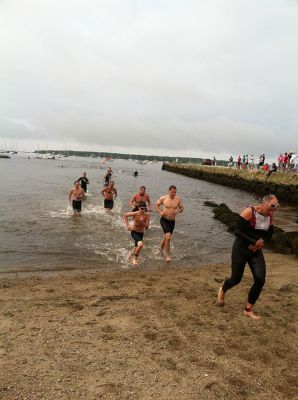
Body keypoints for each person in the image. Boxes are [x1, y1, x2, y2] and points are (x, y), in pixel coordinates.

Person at [217, 195, 279, 320]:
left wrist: (260, 242)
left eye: (276, 207)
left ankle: (248, 309)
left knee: (260, 279)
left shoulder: (271, 216)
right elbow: (238, 231)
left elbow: (269, 233)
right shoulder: (249, 212)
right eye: (272, 207)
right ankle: (223, 289)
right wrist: (253, 242)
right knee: (236, 279)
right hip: (240, 249)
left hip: (255, 251)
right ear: (264, 204)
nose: (273, 210)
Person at [156, 185, 184, 262]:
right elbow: (157, 205)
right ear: (169, 191)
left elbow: (182, 208)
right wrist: (160, 212)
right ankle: (168, 255)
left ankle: (160, 250)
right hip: (164, 220)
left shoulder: (178, 199)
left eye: (175, 192)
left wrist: (178, 210)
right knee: (168, 237)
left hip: (172, 221)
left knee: (166, 238)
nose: (174, 193)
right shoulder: (163, 198)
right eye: (172, 192)